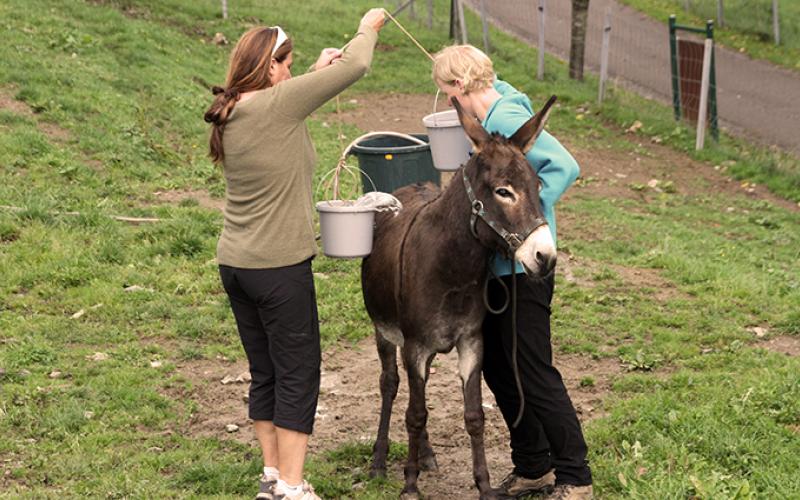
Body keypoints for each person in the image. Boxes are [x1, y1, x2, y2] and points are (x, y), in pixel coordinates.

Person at [204, 9, 386, 500]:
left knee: (265, 371)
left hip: (236, 263)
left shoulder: (235, 108)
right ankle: (291, 484)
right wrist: (367, 26)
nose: (290, 72)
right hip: (277, 268)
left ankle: (271, 474)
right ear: (269, 69)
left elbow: (283, 100)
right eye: (286, 64)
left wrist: (308, 76)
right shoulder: (278, 104)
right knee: (298, 373)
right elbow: (356, 66)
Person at [431, 45, 593, 500]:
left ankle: (576, 476)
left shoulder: (507, 120)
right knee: (500, 367)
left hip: (524, 265)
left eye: (445, 90)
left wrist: (526, 210)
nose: (444, 100)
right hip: (497, 263)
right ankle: (533, 465)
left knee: (532, 369)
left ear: (460, 87)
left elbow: (565, 166)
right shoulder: (494, 108)